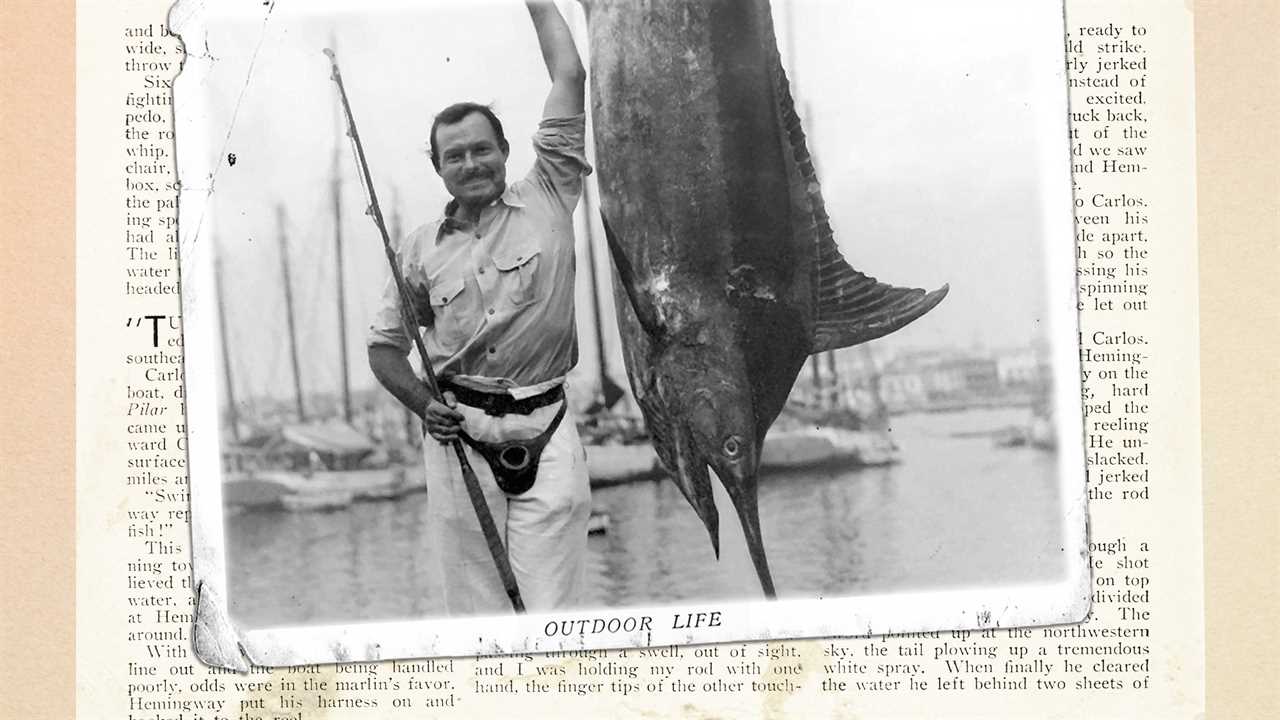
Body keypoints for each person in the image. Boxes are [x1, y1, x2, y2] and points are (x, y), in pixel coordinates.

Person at [366, 0, 592, 615]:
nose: (471, 163)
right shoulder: (416, 251)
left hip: (546, 423)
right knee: (478, 616)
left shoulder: (550, 191)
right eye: (455, 155)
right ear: (438, 169)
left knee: (553, 612)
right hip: (458, 435)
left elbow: (569, 76)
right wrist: (424, 405)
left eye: (481, 149)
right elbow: (384, 348)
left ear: (505, 150)